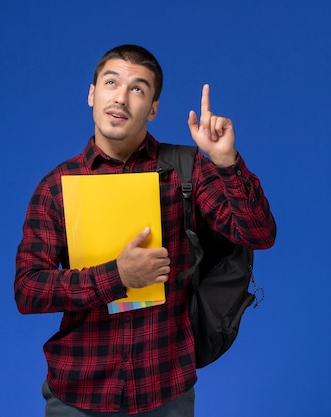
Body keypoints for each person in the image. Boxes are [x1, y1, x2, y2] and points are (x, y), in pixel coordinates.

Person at [14, 44, 276, 416]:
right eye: (111, 83)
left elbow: (259, 235)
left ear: (153, 108)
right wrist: (117, 276)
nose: (120, 97)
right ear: (92, 94)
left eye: (137, 89)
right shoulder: (57, 186)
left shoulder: (187, 172)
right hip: (78, 393)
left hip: (165, 391)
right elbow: (28, 290)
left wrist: (225, 162)